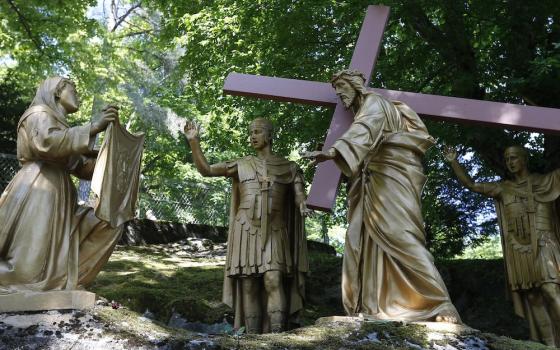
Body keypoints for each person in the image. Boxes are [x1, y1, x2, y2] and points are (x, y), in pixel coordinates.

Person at [304, 69, 460, 323]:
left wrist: (333, 152)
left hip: (393, 175)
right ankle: (377, 306)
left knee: (399, 234)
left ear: (356, 85)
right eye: (336, 89)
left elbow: (365, 128)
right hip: (373, 179)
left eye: (342, 86)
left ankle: (440, 302)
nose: (339, 92)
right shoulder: (363, 110)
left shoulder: (375, 103)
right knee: (369, 241)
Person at [184, 118, 309, 333]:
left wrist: (303, 205)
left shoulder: (289, 167)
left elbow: (299, 196)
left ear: (269, 135)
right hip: (246, 228)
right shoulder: (240, 164)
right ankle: (251, 339)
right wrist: (194, 142)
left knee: (273, 279)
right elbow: (206, 170)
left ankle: (278, 337)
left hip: (275, 228)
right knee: (249, 284)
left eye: (258, 132)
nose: (253, 136)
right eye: (251, 132)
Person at [0, 77, 122, 294]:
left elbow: (80, 166)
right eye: (72, 89)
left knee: (109, 222)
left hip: (60, 193)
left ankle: (67, 278)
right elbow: (48, 144)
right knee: (26, 271)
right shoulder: (38, 113)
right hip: (38, 189)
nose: (77, 95)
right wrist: (93, 127)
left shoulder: (63, 128)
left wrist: (113, 157)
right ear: (57, 91)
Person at [445, 145, 560, 346]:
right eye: (507, 159)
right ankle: (549, 345)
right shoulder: (503, 187)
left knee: (551, 291)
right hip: (518, 249)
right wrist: (454, 161)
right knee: (534, 298)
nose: (510, 162)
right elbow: (471, 184)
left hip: (544, 242)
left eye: (514, 158)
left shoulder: (546, 180)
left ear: (525, 159)